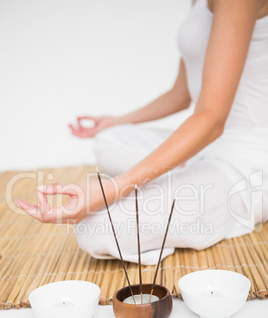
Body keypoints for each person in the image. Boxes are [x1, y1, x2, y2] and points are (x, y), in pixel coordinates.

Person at [16, 0, 268, 265]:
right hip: (204, 148)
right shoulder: (196, 1)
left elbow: (212, 120)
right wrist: (116, 121)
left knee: (95, 229)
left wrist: (113, 189)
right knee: (109, 139)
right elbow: (180, 95)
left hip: (248, 163)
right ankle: (181, 182)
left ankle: (195, 201)